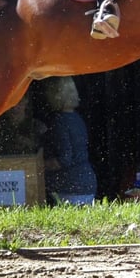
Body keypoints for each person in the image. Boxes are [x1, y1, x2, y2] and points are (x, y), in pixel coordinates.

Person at [38, 77, 97, 205]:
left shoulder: (58, 121)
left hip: (69, 187)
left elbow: (64, 159)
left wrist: (38, 165)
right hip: (86, 182)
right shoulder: (77, 118)